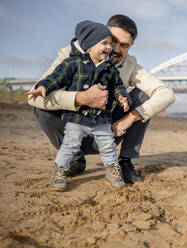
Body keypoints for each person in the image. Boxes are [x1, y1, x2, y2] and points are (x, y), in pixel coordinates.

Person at [28, 15, 175, 184]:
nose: (116, 49)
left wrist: (130, 118)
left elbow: (166, 93)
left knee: (144, 95)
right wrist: (80, 98)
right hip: (72, 128)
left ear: (131, 46)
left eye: (124, 45)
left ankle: (125, 161)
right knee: (42, 104)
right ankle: (75, 159)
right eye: (112, 41)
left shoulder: (130, 66)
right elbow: (34, 97)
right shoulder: (70, 56)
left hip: (108, 131)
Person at [26, 20, 131, 191]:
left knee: (108, 145)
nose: (109, 47)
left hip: (101, 118)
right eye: (104, 43)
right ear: (88, 46)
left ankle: (112, 170)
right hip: (77, 118)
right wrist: (43, 87)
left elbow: (118, 85)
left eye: (110, 43)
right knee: (70, 145)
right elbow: (57, 77)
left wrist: (123, 98)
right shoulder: (73, 63)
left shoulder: (110, 68)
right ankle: (60, 171)